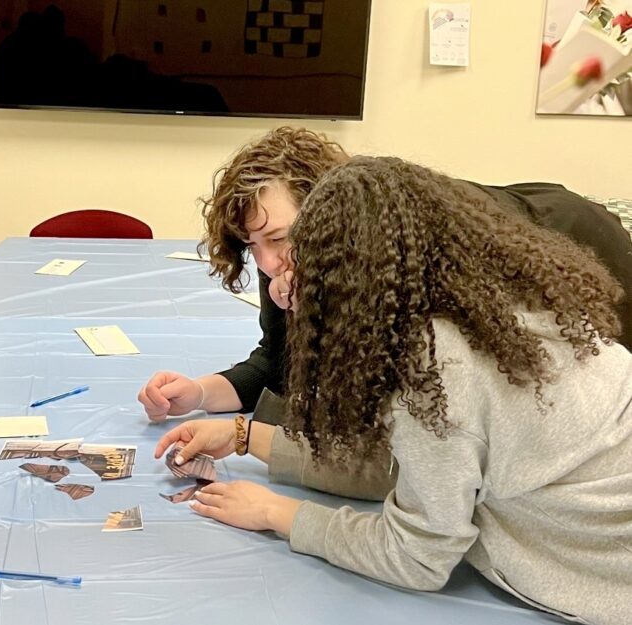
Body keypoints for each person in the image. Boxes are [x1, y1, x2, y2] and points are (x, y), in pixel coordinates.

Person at [156, 157, 632, 625]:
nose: (279, 276)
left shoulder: (436, 366)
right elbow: (411, 467)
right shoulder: (488, 299)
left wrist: (278, 513)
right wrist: (245, 435)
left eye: (296, 254)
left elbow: (416, 557)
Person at [138, 127, 632, 421]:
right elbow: (278, 365)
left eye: (280, 239)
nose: (267, 264)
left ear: (330, 215)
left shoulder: (405, 263)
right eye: (252, 246)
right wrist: (200, 393)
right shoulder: (285, 261)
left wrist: (249, 436)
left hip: (576, 239)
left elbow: (400, 410)